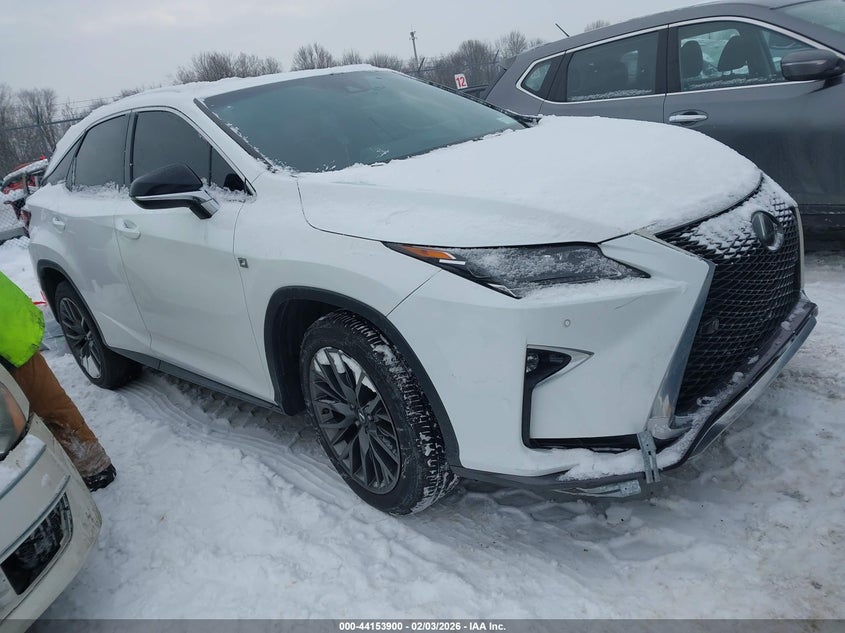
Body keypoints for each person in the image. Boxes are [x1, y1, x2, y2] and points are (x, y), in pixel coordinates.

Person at [0, 271, 116, 491]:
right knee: (48, 405)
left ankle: (92, 469)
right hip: (12, 327)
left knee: (30, 415)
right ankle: (93, 467)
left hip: (9, 335)